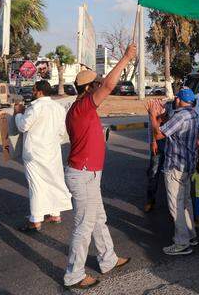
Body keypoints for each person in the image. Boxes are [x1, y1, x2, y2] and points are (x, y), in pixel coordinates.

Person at [62, 43, 135, 290]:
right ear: (89, 88)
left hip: (89, 174)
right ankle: (74, 275)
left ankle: (108, 259)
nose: (100, 85)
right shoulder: (82, 107)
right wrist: (125, 58)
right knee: (83, 225)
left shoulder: (81, 108)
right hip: (82, 174)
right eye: (96, 84)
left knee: (98, 219)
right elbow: (109, 86)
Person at [147, 88, 199, 256]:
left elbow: (159, 134)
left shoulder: (181, 116)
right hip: (187, 165)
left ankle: (181, 243)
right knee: (185, 202)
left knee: (175, 205)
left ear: (179, 100)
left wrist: (152, 115)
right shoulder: (193, 114)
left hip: (176, 165)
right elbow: (170, 127)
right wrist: (161, 114)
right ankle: (191, 236)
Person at [14, 81, 71, 232]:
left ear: (39, 92)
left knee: (37, 185)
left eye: (33, 90)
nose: (32, 92)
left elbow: (22, 126)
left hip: (35, 153)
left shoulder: (35, 107)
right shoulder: (58, 108)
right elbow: (61, 132)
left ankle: (35, 220)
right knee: (54, 181)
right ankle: (55, 214)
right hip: (52, 151)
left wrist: (18, 113)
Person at [144, 99, 176, 213]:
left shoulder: (177, 109)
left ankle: (173, 205)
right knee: (154, 171)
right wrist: (153, 141)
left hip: (172, 146)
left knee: (171, 174)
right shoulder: (157, 105)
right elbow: (154, 125)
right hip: (159, 143)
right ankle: (150, 200)